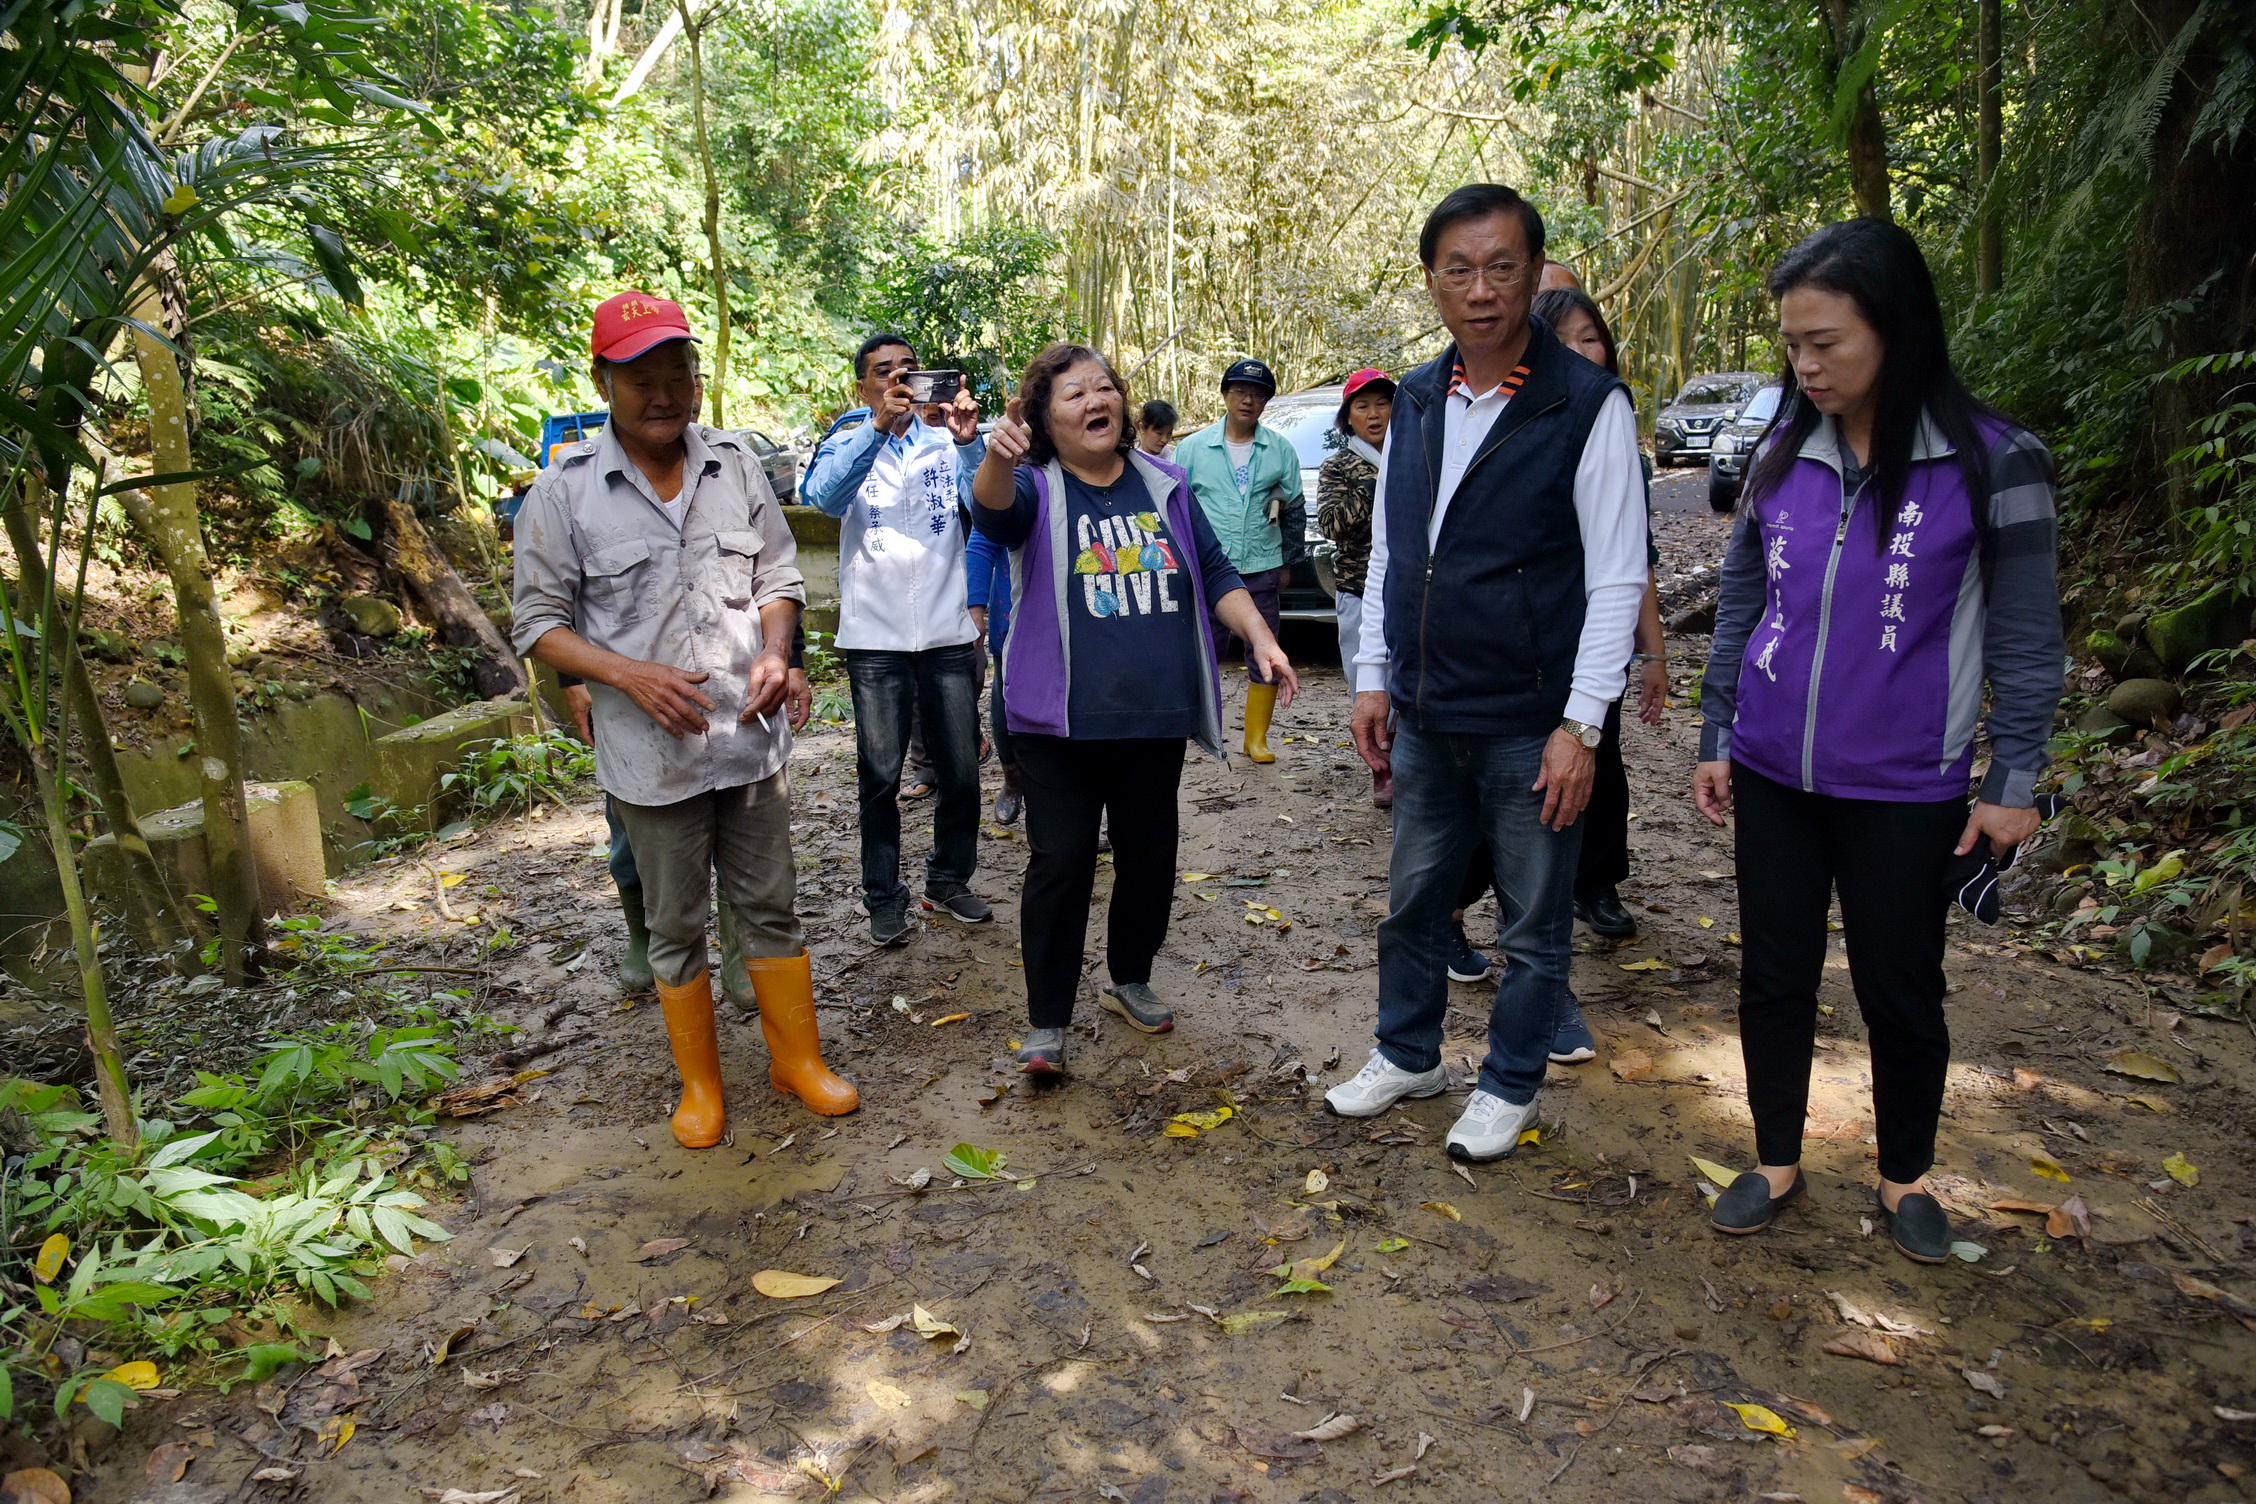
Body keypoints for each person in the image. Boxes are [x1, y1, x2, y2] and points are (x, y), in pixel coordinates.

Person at [1694, 219, 2062, 1262]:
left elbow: (2031, 638)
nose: (1804, 365)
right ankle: (1772, 1160)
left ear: (1895, 331)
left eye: (1827, 343)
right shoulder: (1783, 451)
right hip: (1773, 768)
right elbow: (1742, 600)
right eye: (1792, 345)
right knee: (1773, 969)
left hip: (1909, 786)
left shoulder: (1995, 461)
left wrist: (2013, 776)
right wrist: (1719, 728)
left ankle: (1905, 1176)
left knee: (1900, 985)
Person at [1323, 184, 1648, 1165]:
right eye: (1457, 269)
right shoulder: (1418, 396)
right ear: (1430, 282)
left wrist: (1582, 724)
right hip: (1426, 708)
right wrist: (1374, 675)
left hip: (1528, 718)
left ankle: (1509, 1081)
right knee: (1416, 899)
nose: (1480, 289)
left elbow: (1618, 571)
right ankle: (1408, 1052)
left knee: (1536, 917)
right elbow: (1393, 547)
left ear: (1535, 273)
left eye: (1502, 266)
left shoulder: (1585, 403)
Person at [513, 290, 857, 1146]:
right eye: (642, 380)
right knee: (674, 926)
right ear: (603, 382)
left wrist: (781, 650)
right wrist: (625, 673)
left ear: (698, 381)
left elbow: (779, 576)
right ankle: (700, 1087)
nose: (664, 394)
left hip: (748, 742)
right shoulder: (562, 494)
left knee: (771, 907)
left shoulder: (735, 465)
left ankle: (795, 1062)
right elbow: (538, 625)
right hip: (650, 757)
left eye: (679, 375)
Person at [972, 342, 1299, 1076]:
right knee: (1062, 864)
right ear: (1043, 420)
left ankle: (1129, 978)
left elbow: (1214, 568)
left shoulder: (1166, 482)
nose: (1095, 400)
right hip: (1058, 723)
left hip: (1153, 714)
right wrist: (995, 456)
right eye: (1072, 394)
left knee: (1151, 858)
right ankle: (1047, 1021)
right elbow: (991, 513)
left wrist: (1260, 636)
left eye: (1103, 388)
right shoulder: (1036, 485)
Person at [801, 332, 992, 946]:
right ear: (862, 386)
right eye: (884, 372)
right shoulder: (847, 438)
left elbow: (986, 508)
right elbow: (821, 499)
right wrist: (876, 429)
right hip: (875, 636)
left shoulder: (949, 440)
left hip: (946, 627)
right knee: (881, 775)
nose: (900, 380)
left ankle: (949, 878)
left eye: (910, 369)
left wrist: (968, 444)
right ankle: (884, 895)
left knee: (960, 769)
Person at [1532, 284, 1670, 942]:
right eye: (1563, 342)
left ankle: (1597, 883)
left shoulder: (1619, 436)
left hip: (1600, 636)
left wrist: (1655, 653)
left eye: (1592, 338)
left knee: (1599, 759)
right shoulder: (1514, 427)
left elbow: (1634, 556)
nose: (1582, 353)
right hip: (1529, 637)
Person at [1177, 359, 1306, 763]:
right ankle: (1194, 729)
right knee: (1201, 648)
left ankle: (1256, 739)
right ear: (1225, 395)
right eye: (1239, 391)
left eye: (1257, 394)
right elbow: (1175, 510)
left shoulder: (1279, 449)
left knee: (1263, 649)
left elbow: (1295, 509)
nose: (1248, 400)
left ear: (1266, 401)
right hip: (1207, 568)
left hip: (1261, 564)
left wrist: (1287, 561)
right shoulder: (1193, 448)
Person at [1314, 367, 1394, 806]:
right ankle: (1382, 772)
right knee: (1366, 684)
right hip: (1358, 591)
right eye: (1362, 406)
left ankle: (1408, 768)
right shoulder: (1339, 465)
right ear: (1348, 417)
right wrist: (1374, 481)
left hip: (1411, 592)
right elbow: (1332, 525)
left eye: (1382, 403)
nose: (1374, 413)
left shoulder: (1418, 455)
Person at [964, 519, 1022, 825]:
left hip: (1075, 625)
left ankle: (1077, 809)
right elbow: (981, 543)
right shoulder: (1009, 477)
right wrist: (975, 607)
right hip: (1012, 617)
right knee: (1005, 709)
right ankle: (1013, 778)